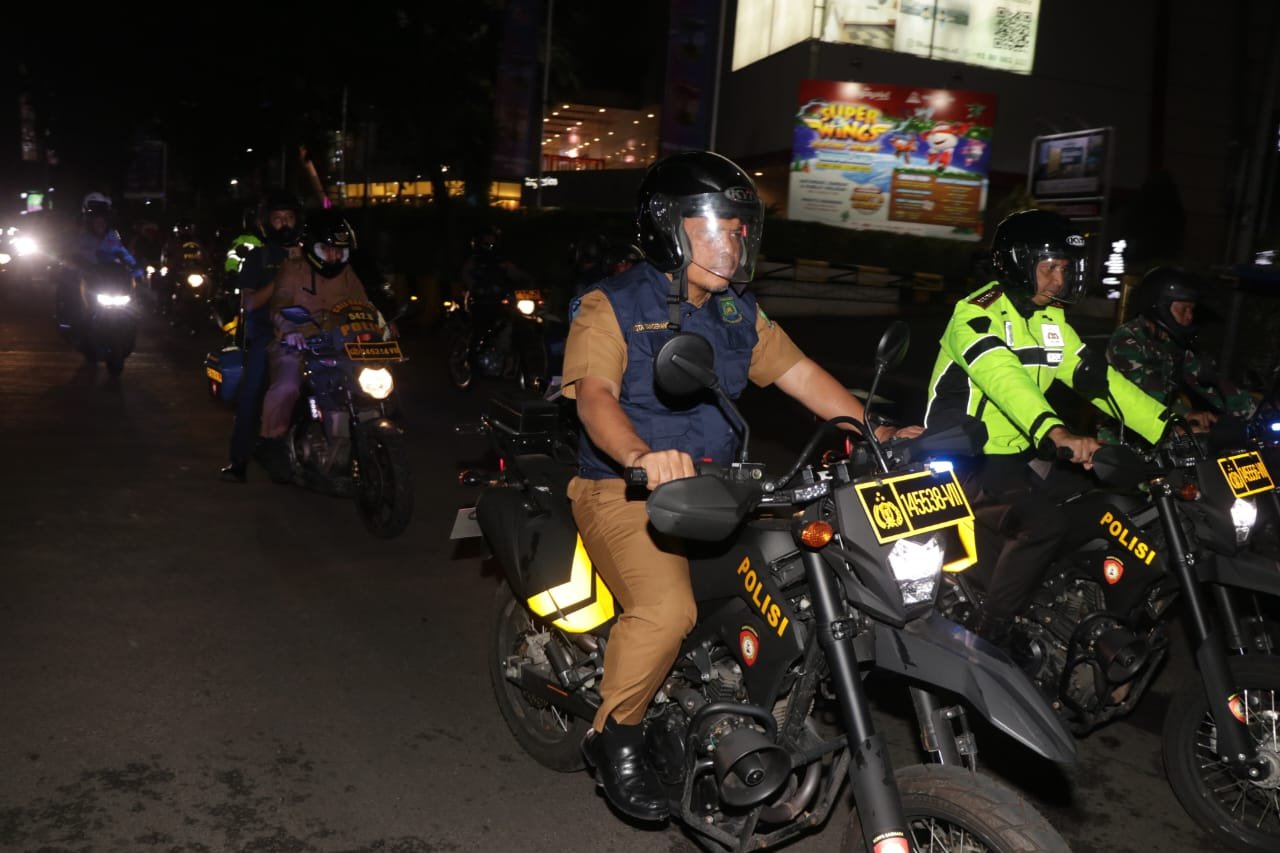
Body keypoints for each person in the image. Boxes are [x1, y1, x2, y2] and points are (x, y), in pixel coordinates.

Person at [560, 149, 920, 822]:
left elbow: (801, 375)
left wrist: (872, 431)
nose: (732, 244)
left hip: (721, 489)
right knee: (667, 611)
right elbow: (595, 396)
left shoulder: (735, 312)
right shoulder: (612, 305)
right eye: (716, 229)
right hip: (625, 489)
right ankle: (615, 734)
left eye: (739, 230)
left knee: (806, 572)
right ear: (668, 229)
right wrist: (642, 455)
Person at [923, 208, 1174, 646]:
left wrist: (1168, 428)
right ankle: (990, 633)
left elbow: (1097, 380)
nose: (1059, 280)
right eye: (1050, 267)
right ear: (1019, 264)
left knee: (1103, 508)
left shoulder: (1049, 319)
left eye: (1065, 269)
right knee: (1044, 524)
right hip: (965, 457)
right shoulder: (975, 316)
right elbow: (1006, 380)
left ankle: (1057, 605)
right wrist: (1057, 433)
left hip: (1018, 455)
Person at [256, 208, 379, 482]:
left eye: (339, 251)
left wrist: (382, 323)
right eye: (327, 250)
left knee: (372, 381)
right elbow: (279, 304)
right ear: (313, 247)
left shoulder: (347, 274)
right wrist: (289, 328)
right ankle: (271, 441)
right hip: (296, 343)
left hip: (339, 343)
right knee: (287, 386)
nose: (334, 256)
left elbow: (365, 304)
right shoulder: (292, 269)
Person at [1102, 266, 1254, 443]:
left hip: (1162, 430)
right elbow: (1145, 392)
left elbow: (1207, 380)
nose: (1189, 317)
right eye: (1183, 310)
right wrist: (1185, 414)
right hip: (1121, 437)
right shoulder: (1127, 339)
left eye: (1192, 310)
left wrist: (1253, 410)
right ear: (1160, 306)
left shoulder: (1173, 342)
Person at [218, 190, 303, 483]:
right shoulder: (258, 257)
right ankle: (239, 459)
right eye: (278, 218)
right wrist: (282, 276)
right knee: (252, 391)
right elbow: (250, 303)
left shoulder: (310, 254)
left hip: (307, 330)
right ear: (268, 222)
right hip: (266, 332)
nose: (285, 224)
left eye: (289, 217)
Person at [57, 193, 146, 328]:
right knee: (69, 289)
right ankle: (70, 319)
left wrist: (137, 271)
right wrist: (71, 264)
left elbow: (125, 254)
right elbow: (68, 255)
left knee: (132, 299)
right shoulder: (79, 236)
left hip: (107, 278)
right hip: (86, 276)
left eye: (102, 221)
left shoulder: (112, 236)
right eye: (97, 221)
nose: (100, 224)